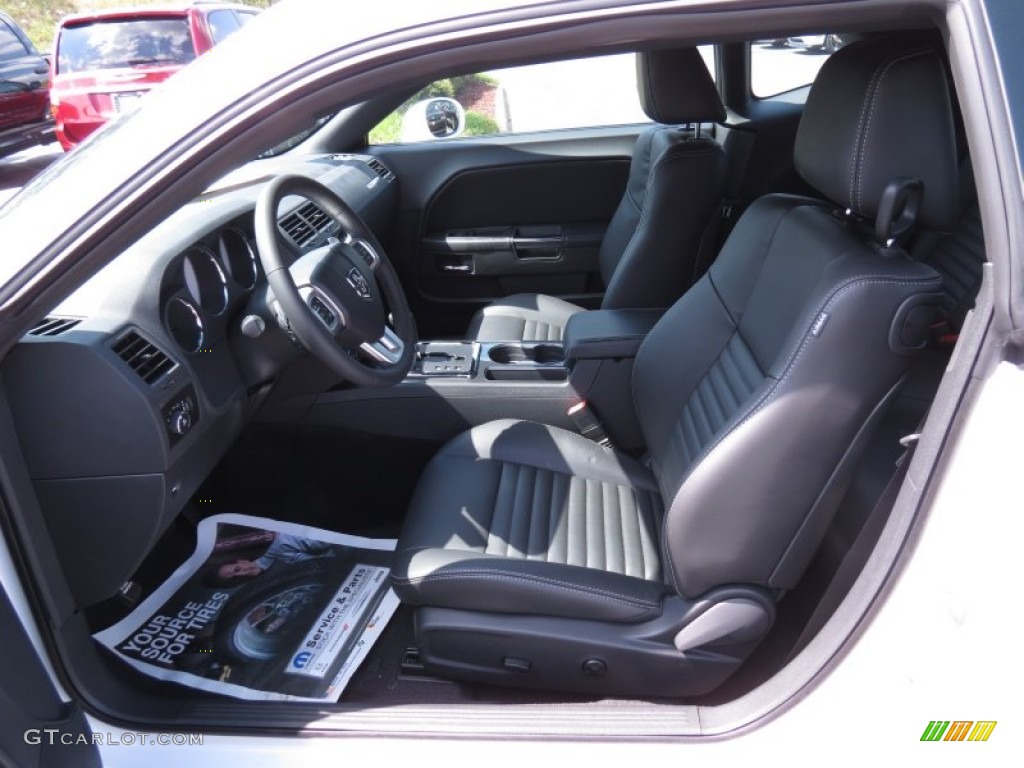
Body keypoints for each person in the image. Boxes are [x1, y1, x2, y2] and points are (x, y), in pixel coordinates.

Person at [206, 533, 335, 587]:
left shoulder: (281, 545)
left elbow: (326, 539)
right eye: (235, 578)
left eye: (237, 569)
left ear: (242, 561)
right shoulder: (268, 586)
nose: (241, 574)